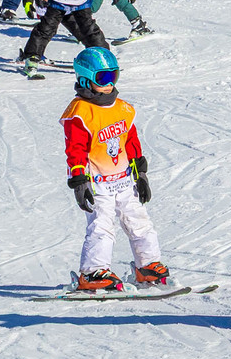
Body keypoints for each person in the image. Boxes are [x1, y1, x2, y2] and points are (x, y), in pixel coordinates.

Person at [62, 44, 168, 293]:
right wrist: (79, 181)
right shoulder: (80, 113)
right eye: (103, 78)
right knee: (101, 225)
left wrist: (140, 173)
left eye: (113, 76)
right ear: (86, 79)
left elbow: (131, 142)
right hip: (98, 183)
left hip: (124, 180)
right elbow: (75, 150)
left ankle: (148, 266)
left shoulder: (122, 108)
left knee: (140, 222)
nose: (109, 84)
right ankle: (92, 272)